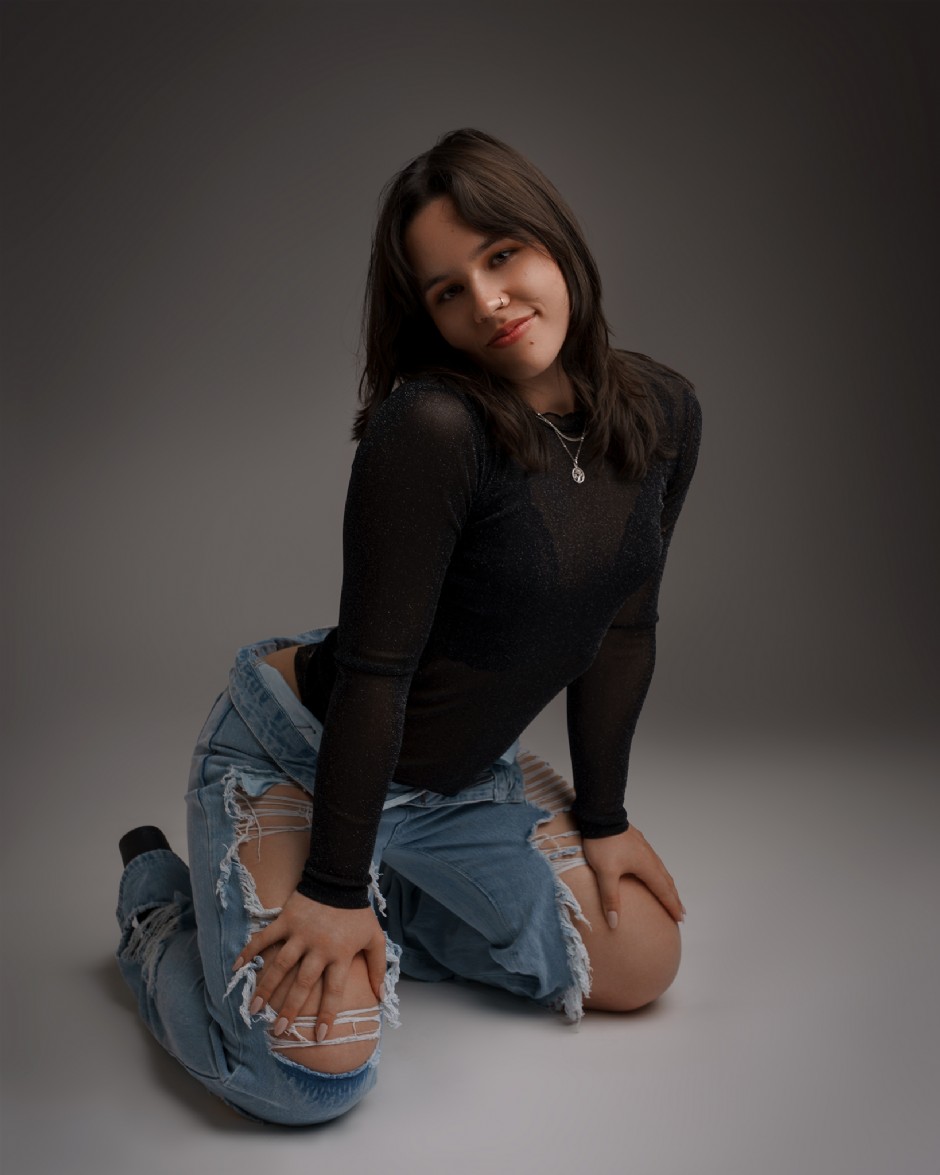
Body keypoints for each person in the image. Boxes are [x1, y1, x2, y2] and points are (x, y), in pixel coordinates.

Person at [115, 128, 702, 1126]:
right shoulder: (431, 426)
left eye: (502, 254)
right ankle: (161, 910)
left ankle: (391, 904)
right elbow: (376, 676)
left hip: (459, 774)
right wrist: (334, 886)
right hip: (306, 754)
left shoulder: (664, 410)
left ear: (555, 240)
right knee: (306, 1077)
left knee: (644, 959)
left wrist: (604, 816)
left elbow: (624, 626)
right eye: (447, 290)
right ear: (426, 317)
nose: (489, 301)